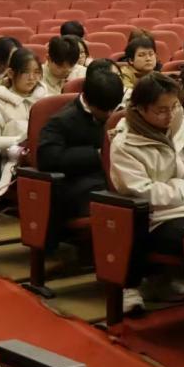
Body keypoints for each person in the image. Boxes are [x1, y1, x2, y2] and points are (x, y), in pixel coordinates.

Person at [109, 71, 184, 312]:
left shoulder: (172, 128)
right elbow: (144, 192)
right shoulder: (125, 144)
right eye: (161, 110)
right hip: (154, 220)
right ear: (141, 109)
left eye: (174, 106)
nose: (170, 115)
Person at [38, 61, 124, 246]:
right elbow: (48, 158)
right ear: (87, 99)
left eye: (114, 108)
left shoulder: (119, 112)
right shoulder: (61, 120)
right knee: (117, 202)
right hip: (78, 182)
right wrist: (98, 154)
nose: (110, 114)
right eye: (105, 110)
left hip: (116, 174)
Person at [0, 47, 49, 162]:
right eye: (25, 72)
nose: (32, 78)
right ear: (11, 73)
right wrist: (18, 142)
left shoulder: (45, 100)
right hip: (13, 162)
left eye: (36, 72)